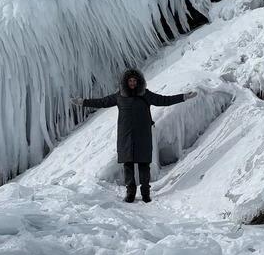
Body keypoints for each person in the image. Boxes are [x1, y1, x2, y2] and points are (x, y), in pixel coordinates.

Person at [76, 68, 196, 202]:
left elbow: (163, 100)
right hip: (125, 136)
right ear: (125, 82)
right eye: (130, 81)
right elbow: (102, 102)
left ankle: (146, 193)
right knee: (128, 165)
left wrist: (183, 97)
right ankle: (130, 193)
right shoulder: (119, 96)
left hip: (143, 135)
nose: (132, 83)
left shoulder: (146, 95)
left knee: (144, 165)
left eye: (134, 80)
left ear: (139, 82)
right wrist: (84, 102)